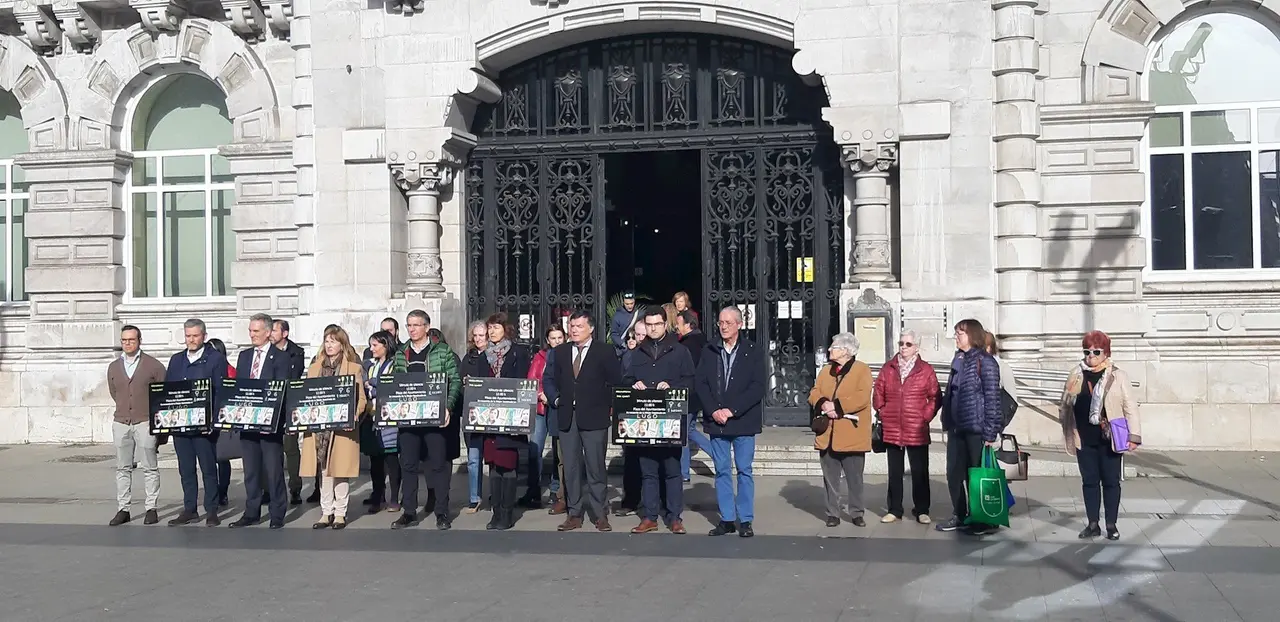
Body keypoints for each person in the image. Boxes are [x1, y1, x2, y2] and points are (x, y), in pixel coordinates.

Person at [1061, 330, 1141, 541]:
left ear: (1106, 352)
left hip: (1110, 437)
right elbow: (1065, 405)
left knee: (1111, 481)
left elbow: (1130, 406)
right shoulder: (1076, 373)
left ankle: (1111, 525)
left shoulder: (1118, 375)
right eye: (1087, 351)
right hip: (1083, 437)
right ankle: (1093, 523)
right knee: (1089, 481)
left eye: (1096, 351)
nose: (1091, 356)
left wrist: (1134, 436)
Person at [695, 306, 766, 538]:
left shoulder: (753, 351)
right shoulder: (709, 350)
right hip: (717, 422)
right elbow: (701, 383)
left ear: (739, 325)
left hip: (743, 421)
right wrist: (714, 410)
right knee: (722, 470)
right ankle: (727, 518)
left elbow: (758, 387)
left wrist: (732, 410)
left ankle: (745, 519)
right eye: (720, 322)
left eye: (728, 322)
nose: (723, 326)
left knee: (744, 470)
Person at [549, 310, 623, 532]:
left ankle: (600, 513)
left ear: (590, 328)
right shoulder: (561, 352)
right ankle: (574, 513)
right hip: (567, 418)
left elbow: (615, 381)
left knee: (595, 467)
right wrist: (556, 399)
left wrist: (604, 404)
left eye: (579, 326)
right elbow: (550, 379)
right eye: (572, 326)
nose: (574, 330)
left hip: (594, 418)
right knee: (570, 468)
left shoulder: (604, 351)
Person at [624, 309, 695, 534]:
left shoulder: (680, 351)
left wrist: (673, 386)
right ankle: (650, 516)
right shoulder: (637, 353)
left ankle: (675, 517)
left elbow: (691, 382)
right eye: (649, 324)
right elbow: (625, 379)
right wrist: (633, 385)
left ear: (666, 324)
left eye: (657, 324)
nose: (653, 328)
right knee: (648, 471)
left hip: (671, 420)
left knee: (672, 470)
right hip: (645, 421)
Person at [391, 310, 463, 530]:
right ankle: (409, 512)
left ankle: (442, 512)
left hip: (434, 418)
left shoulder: (442, 351)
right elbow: (395, 384)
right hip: (409, 419)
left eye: (416, 325)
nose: (412, 329)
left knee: (438, 465)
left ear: (427, 327)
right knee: (409, 465)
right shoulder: (401, 352)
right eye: (409, 325)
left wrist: (448, 407)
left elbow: (455, 381)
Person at [466, 313, 532, 530]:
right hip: (490, 419)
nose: (492, 331)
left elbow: (525, 382)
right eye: (489, 328)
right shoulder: (484, 355)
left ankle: (507, 512)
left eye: (495, 327)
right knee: (493, 465)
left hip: (511, 418)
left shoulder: (518, 352)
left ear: (506, 328)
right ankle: (496, 512)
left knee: (508, 464)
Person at [936, 318, 1003, 535]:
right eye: (956, 333)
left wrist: (990, 431)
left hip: (976, 428)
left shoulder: (986, 361)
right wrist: (946, 419)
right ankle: (960, 513)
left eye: (960, 333)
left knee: (976, 474)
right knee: (954, 473)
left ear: (972, 336)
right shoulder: (958, 359)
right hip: (957, 428)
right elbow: (950, 393)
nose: (956, 337)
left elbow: (993, 398)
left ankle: (982, 518)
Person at [230, 313, 293, 529]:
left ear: (268, 332)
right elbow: (240, 387)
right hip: (247, 423)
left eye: (256, 331)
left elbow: (283, 389)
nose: (252, 335)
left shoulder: (281, 357)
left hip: (269, 424)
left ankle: (277, 513)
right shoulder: (245, 356)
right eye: (250, 331)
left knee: (273, 470)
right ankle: (251, 512)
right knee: (251, 471)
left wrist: (274, 418)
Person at [302, 326, 368, 530]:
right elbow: (306, 396)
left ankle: (340, 512)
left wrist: (354, 416)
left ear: (342, 344)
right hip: (319, 427)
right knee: (324, 470)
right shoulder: (314, 368)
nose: (329, 345)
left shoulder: (353, 367)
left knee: (340, 470)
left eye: (333, 341)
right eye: (327, 341)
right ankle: (326, 511)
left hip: (341, 427)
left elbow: (362, 399)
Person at [164, 319, 228, 527]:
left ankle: (212, 510)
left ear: (204, 336)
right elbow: (167, 392)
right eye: (188, 336)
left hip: (204, 426)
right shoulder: (176, 360)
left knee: (209, 469)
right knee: (186, 469)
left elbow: (220, 391)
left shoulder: (215, 359)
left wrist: (214, 420)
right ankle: (189, 509)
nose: (191, 340)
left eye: (195, 336)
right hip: (180, 426)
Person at [873, 330, 940, 525]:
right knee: (894, 471)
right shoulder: (888, 368)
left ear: (916, 347)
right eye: (901, 343)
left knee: (919, 471)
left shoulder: (925, 370)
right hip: (893, 426)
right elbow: (878, 393)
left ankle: (922, 509)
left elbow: (935, 397)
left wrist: (924, 417)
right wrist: (883, 411)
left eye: (908, 344)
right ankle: (894, 509)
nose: (903, 347)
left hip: (916, 427)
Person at [808, 333, 873, 528]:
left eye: (834, 347)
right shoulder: (826, 370)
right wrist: (823, 404)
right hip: (827, 433)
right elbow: (814, 392)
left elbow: (862, 397)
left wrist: (837, 407)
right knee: (830, 478)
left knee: (855, 478)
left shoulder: (862, 370)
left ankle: (856, 512)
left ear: (845, 351)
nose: (829, 350)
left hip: (851, 433)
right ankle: (832, 513)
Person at [106, 325, 167, 526]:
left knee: (149, 466)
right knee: (122, 467)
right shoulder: (114, 367)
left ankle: (151, 507)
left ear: (139, 340)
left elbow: (162, 393)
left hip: (145, 421)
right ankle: (123, 508)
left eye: (131, 340)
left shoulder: (154, 366)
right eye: (124, 340)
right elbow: (114, 391)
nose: (127, 344)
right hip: (122, 421)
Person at [270, 319, 313, 506]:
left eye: (274, 330)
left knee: (291, 448)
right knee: (270, 449)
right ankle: (269, 488)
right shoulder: (266, 352)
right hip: (270, 405)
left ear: (284, 333)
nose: (270, 334)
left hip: (289, 405)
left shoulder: (296, 353)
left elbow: (293, 378)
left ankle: (295, 487)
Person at [525, 325, 566, 510]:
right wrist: (541, 394)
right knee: (535, 450)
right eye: (553, 338)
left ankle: (555, 490)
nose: (556, 341)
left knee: (560, 453)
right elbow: (532, 380)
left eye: (559, 337)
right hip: (542, 408)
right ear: (548, 340)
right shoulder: (540, 357)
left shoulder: (568, 355)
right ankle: (533, 490)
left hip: (558, 408)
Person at [361, 330, 401, 513]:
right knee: (375, 460)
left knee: (391, 458)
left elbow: (391, 385)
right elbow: (365, 386)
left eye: (375, 345)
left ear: (386, 345)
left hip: (389, 417)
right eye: (371, 345)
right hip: (372, 416)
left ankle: (394, 497)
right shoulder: (370, 365)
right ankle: (378, 495)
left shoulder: (395, 364)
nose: (372, 349)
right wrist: (373, 384)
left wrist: (374, 384)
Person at [674, 310, 711, 482]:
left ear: (688, 325)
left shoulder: (687, 345)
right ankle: (718, 455)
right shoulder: (703, 341)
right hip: (698, 395)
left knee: (682, 433)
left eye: (679, 323)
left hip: (687, 394)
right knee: (689, 431)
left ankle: (683, 472)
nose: (676, 326)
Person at [615, 320, 644, 517]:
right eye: (638, 335)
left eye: (644, 335)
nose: (641, 339)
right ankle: (630, 501)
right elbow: (622, 380)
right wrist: (633, 383)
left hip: (656, 414)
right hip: (633, 414)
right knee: (631, 460)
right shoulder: (629, 356)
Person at [461, 319, 488, 513]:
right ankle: (474, 497)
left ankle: (495, 494)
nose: (478, 339)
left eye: (482, 335)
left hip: (491, 411)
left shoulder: (495, 355)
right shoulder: (468, 358)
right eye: (475, 335)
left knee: (492, 458)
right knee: (473, 457)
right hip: (472, 412)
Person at [206, 337, 235, 507]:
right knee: (210, 457)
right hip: (207, 417)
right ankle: (213, 490)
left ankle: (223, 491)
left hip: (223, 416)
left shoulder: (229, 370)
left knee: (222, 457)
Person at [610, 291, 638, 356]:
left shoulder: (639, 314)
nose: (630, 306)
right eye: (627, 304)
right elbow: (614, 334)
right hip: (623, 350)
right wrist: (622, 344)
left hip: (637, 349)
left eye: (631, 303)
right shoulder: (617, 316)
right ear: (623, 303)